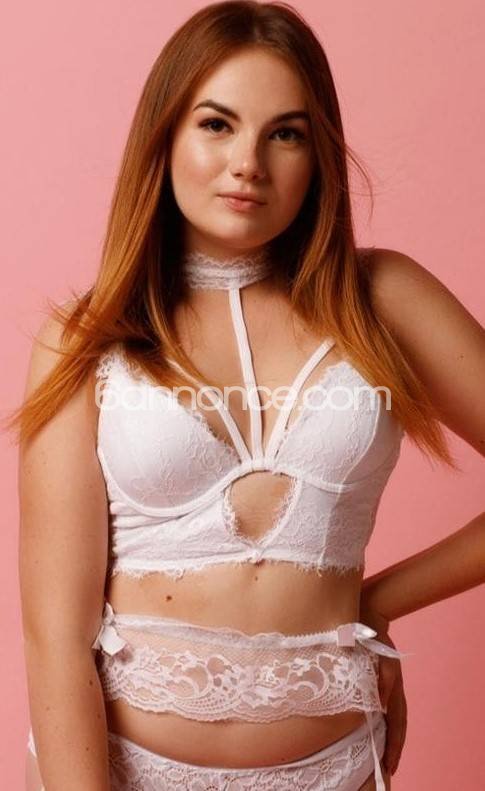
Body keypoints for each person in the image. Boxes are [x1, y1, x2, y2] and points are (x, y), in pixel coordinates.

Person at [8, 2, 484, 790]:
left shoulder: (383, 299)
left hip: (333, 772)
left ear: (317, 155)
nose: (247, 163)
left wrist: (380, 597)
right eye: (216, 124)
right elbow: (56, 639)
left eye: (284, 133)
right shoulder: (88, 338)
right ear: (164, 137)